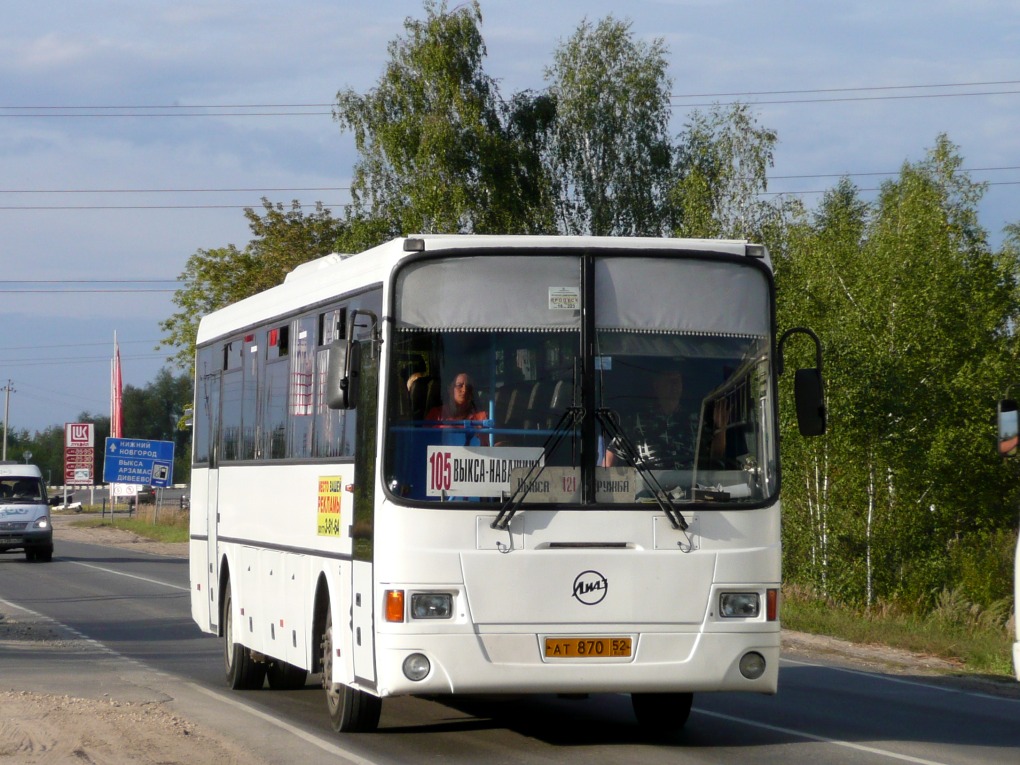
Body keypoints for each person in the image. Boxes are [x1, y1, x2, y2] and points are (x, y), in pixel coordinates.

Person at [603, 365, 727, 470]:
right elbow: (611, 456)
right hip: (649, 491)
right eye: (669, 381)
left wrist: (721, 430)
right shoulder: (637, 419)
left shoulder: (695, 419)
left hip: (689, 492)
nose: (675, 386)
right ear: (657, 385)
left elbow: (714, 456)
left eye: (677, 381)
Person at [427, 372, 489, 446]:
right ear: (450, 389)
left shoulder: (482, 417)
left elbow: (495, 444)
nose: (464, 390)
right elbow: (424, 442)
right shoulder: (436, 414)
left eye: (468, 387)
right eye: (459, 385)